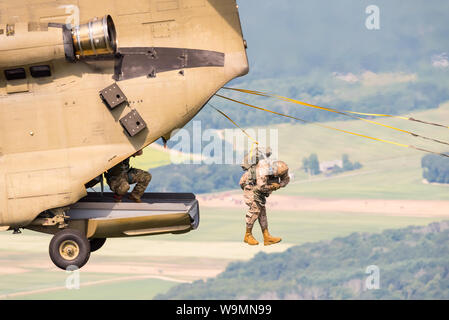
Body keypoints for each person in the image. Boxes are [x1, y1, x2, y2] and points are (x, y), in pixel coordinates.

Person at [239, 156, 290, 246]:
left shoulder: (282, 169)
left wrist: (279, 184)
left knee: (262, 212)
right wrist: (273, 187)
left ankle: (266, 237)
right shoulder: (263, 171)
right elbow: (261, 187)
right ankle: (247, 235)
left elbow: (286, 180)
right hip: (250, 186)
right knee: (255, 210)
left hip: (260, 190)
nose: (276, 176)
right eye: (275, 175)